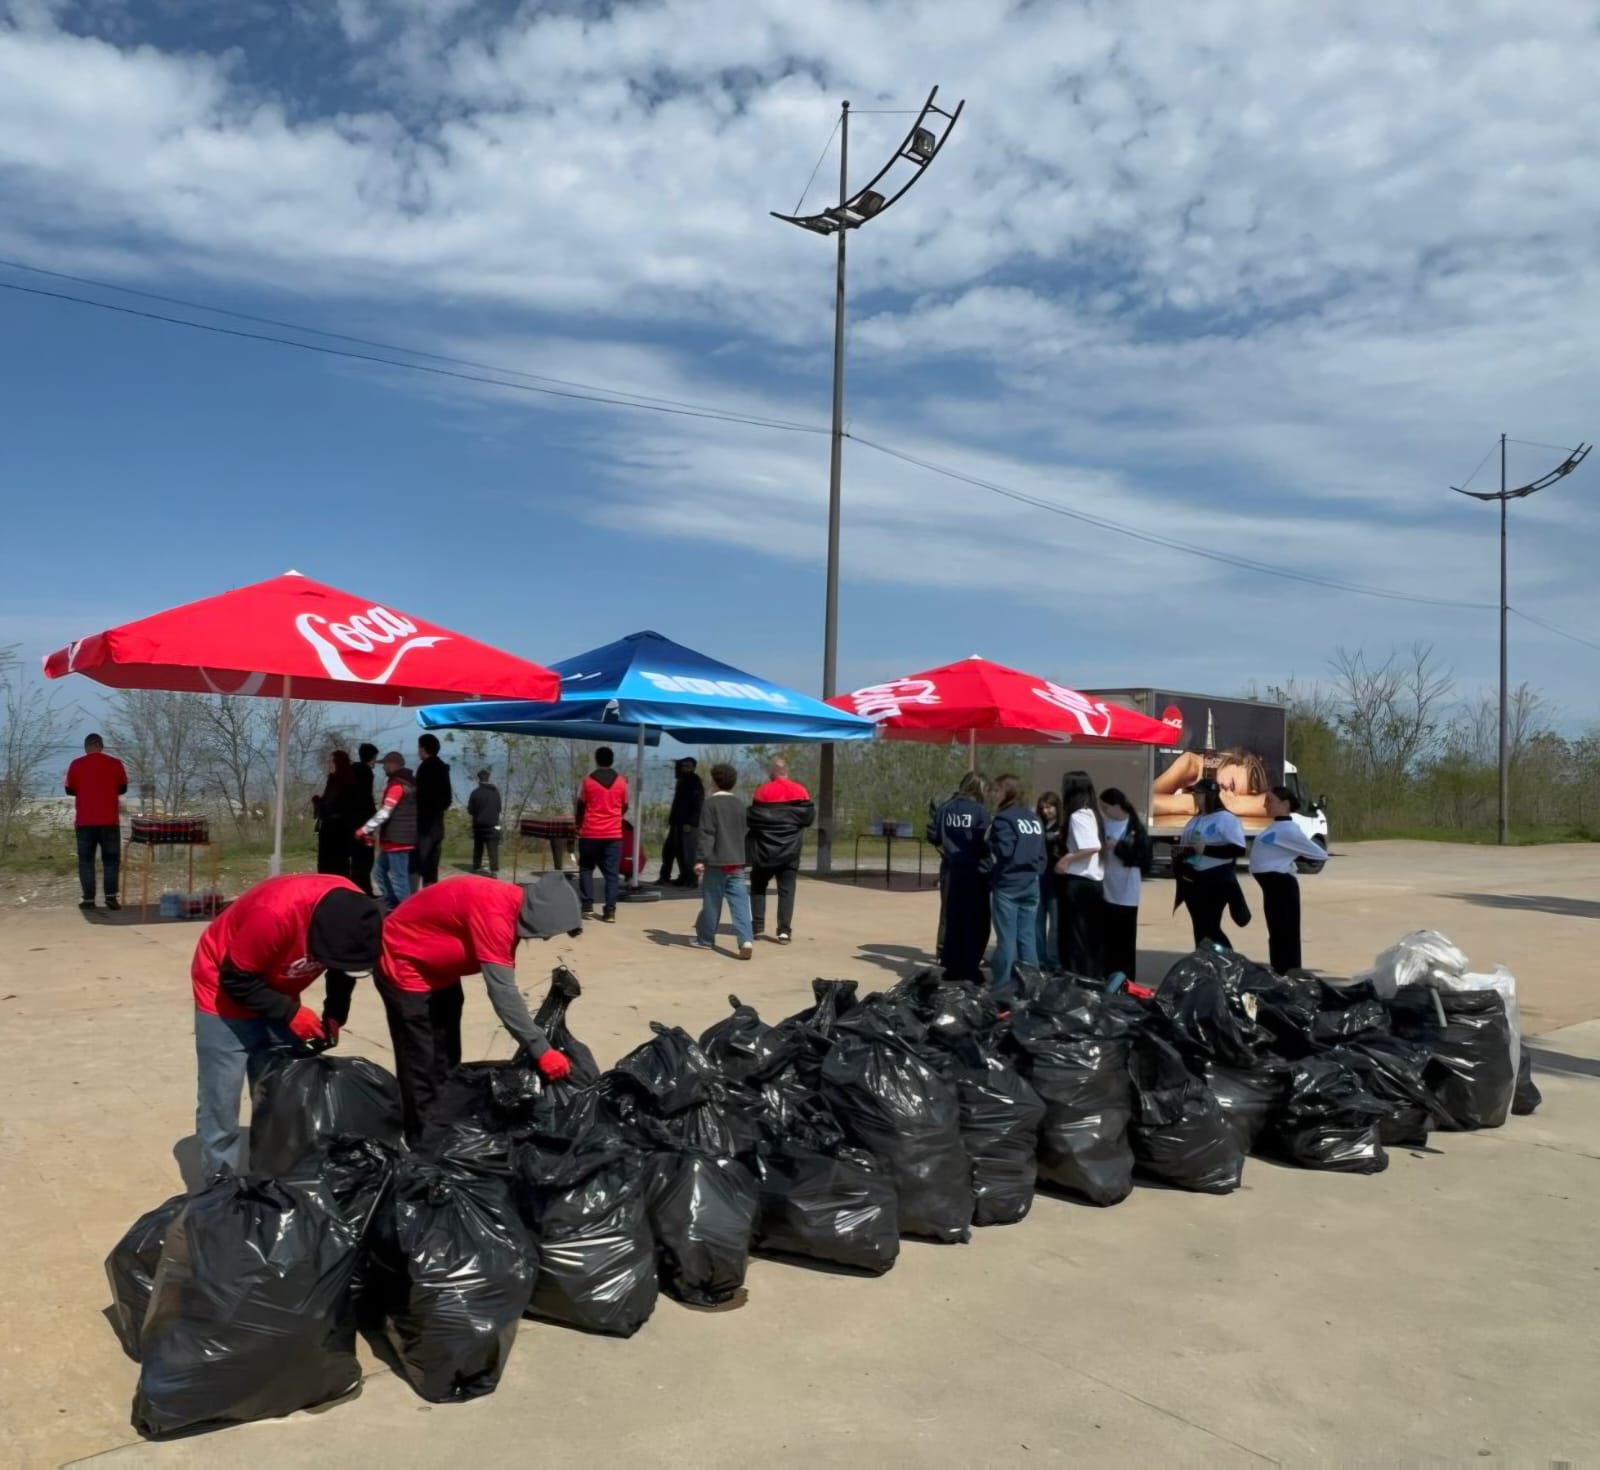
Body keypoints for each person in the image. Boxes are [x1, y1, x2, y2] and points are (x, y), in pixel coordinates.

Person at [190, 873, 382, 1175]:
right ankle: (219, 1185)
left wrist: (335, 1013)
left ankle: (273, 1177)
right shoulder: (274, 914)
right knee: (221, 1100)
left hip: (277, 989)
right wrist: (290, 1013)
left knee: (280, 1093)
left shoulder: (355, 911)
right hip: (224, 993)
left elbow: (342, 971)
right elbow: (235, 980)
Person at [378, 872, 583, 1141]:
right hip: (405, 968)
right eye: (548, 932)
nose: (545, 939)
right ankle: (421, 1143)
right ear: (540, 916)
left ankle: (442, 1125)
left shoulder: (510, 905)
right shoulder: (495, 915)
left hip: (442, 975)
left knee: (447, 1058)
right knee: (421, 1065)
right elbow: (503, 994)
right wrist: (541, 1049)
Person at [1249, 785, 1331, 975]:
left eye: (1270, 801)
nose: (1265, 805)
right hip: (1272, 888)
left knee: (1286, 934)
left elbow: (1319, 854)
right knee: (1276, 933)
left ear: (1285, 804)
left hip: (1282, 887)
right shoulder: (1277, 827)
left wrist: (1295, 857)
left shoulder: (1289, 830)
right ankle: (1280, 972)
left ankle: (1290, 974)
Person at [984, 774, 1045, 992]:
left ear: (1007, 792)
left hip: (1008, 884)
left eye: (997, 791)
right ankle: (1031, 985)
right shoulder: (1033, 819)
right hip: (1031, 883)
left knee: (1007, 939)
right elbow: (1042, 854)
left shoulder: (1004, 819)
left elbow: (1005, 851)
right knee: (1027, 937)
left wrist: (989, 843)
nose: (994, 795)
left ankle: (1002, 985)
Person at [1175, 778, 1251, 949]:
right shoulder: (1196, 820)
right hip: (1194, 879)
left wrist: (1206, 849)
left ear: (1211, 796)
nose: (1196, 797)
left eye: (1200, 794)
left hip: (1216, 878)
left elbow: (1238, 849)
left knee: (1210, 926)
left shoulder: (1226, 819)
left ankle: (1227, 958)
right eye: (1195, 794)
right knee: (1200, 926)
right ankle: (1204, 959)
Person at [746, 756, 814, 944]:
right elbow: (808, 819)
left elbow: (752, 819)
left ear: (772, 772)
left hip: (764, 850)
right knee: (787, 890)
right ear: (786, 771)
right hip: (791, 850)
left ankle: (757, 926)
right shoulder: (801, 790)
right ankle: (784, 931)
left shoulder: (762, 791)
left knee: (758, 886)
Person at [933, 771, 991, 981]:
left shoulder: (945, 808)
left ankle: (950, 964)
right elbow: (986, 842)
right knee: (976, 920)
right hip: (976, 871)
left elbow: (935, 836)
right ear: (979, 788)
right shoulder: (980, 811)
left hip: (951, 868)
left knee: (953, 918)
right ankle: (970, 966)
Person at [694, 762, 753, 959]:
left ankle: (705, 939)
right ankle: (746, 939)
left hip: (716, 861)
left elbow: (707, 833)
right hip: (736, 861)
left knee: (712, 901)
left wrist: (701, 859)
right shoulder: (739, 804)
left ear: (714, 782)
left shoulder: (710, 803)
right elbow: (745, 830)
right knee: (740, 903)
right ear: (733, 783)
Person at [65, 732, 127, 911]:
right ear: (101, 746)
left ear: (86, 747)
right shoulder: (115, 763)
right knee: (111, 861)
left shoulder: (76, 764)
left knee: (86, 861)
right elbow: (123, 788)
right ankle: (111, 898)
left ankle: (89, 899)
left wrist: (86, 790)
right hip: (109, 821)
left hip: (85, 821)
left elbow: (69, 790)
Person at [1053, 771, 1106, 979]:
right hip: (1093, 883)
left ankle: (1077, 977)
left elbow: (1092, 846)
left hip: (1079, 881)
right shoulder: (1092, 814)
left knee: (1075, 936)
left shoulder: (1078, 816)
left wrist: (1067, 859)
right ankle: (1091, 975)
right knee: (1090, 936)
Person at [357, 752, 418, 913]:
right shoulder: (409, 782)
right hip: (400, 837)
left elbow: (385, 812)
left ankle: (406, 911)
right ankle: (391, 901)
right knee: (379, 871)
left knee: (399, 878)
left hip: (398, 839)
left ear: (392, 764)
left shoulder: (397, 785)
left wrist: (365, 829)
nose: (383, 767)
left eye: (385, 764)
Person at [1099, 787, 1150, 982]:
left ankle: (1126, 978)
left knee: (1125, 938)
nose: (1104, 811)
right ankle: (1107, 975)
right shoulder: (1103, 825)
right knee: (1107, 937)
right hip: (1106, 886)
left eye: (1106, 807)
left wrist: (1118, 847)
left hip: (1127, 890)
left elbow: (1143, 859)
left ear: (1117, 806)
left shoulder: (1134, 826)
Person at [575, 746, 629, 922]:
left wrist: (578, 826)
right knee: (612, 874)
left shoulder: (588, 781)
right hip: (613, 834)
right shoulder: (622, 782)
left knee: (586, 869)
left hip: (590, 832)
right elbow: (625, 805)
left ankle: (587, 906)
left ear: (596, 760)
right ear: (612, 760)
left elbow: (581, 806)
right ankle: (610, 911)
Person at [1153, 747, 1272, 821]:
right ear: (1230, 762)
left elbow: (1274, 803)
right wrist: (1193, 803)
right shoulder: (1190, 766)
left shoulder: (1219, 790)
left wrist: (1233, 803)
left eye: (1236, 797)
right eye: (1231, 785)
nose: (1227, 795)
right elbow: (1145, 805)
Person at [413, 733, 453, 890]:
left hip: (425, 825)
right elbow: (447, 799)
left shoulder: (425, 768)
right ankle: (431, 894)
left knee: (418, 864)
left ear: (423, 749)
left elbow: (420, 796)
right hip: (437, 824)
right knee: (432, 867)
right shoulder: (443, 767)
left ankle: (415, 897)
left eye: (419, 747)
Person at [656, 757, 705, 887]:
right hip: (677, 822)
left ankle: (690, 879)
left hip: (687, 823)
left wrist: (691, 822)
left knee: (687, 853)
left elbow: (698, 803)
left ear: (693, 768)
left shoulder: (693, 780)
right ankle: (677, 876)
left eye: (688, 766)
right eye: (683, 766)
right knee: (671, 851)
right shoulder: (683, 780)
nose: (685, 768)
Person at [312, 750, 359, 878]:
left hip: (334, 830)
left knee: (332, 865)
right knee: (338, 865)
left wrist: (318, 802)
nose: (329, 764)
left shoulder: (339, 781)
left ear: (338, 763)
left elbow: (330, 805)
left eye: (331, 761)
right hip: (339, 829)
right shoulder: (343, 780)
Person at [1034, 790, 1064, 965]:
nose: (1046, 811)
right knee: (1037, 923)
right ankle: (1040, 959)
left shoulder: (1063, 827)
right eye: (1043, 808)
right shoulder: (1037, 826)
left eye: (1049, 807)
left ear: (1057, 807)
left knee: (1055, 925)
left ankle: (1053, 960)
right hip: (1039, 881)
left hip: (1056, 883)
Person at [349, 742, 380, 896]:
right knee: (366, 857)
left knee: (357, 858)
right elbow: (366, 798)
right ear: (371, 757)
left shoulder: (351, 771)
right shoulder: (366, 773)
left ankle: (356, 888)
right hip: (365, 822)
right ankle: (364, 889)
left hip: (352, 821)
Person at [467, 769, 503, 876]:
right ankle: (494, 870)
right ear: (488, 778)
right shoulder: (495, 793)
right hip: (493, 824)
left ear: (479, 779)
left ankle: (477, 867)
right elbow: (499, 808)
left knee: (478, 848)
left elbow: (470, 810)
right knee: (493, 848)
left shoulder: (475, 793)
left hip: (479, 824)